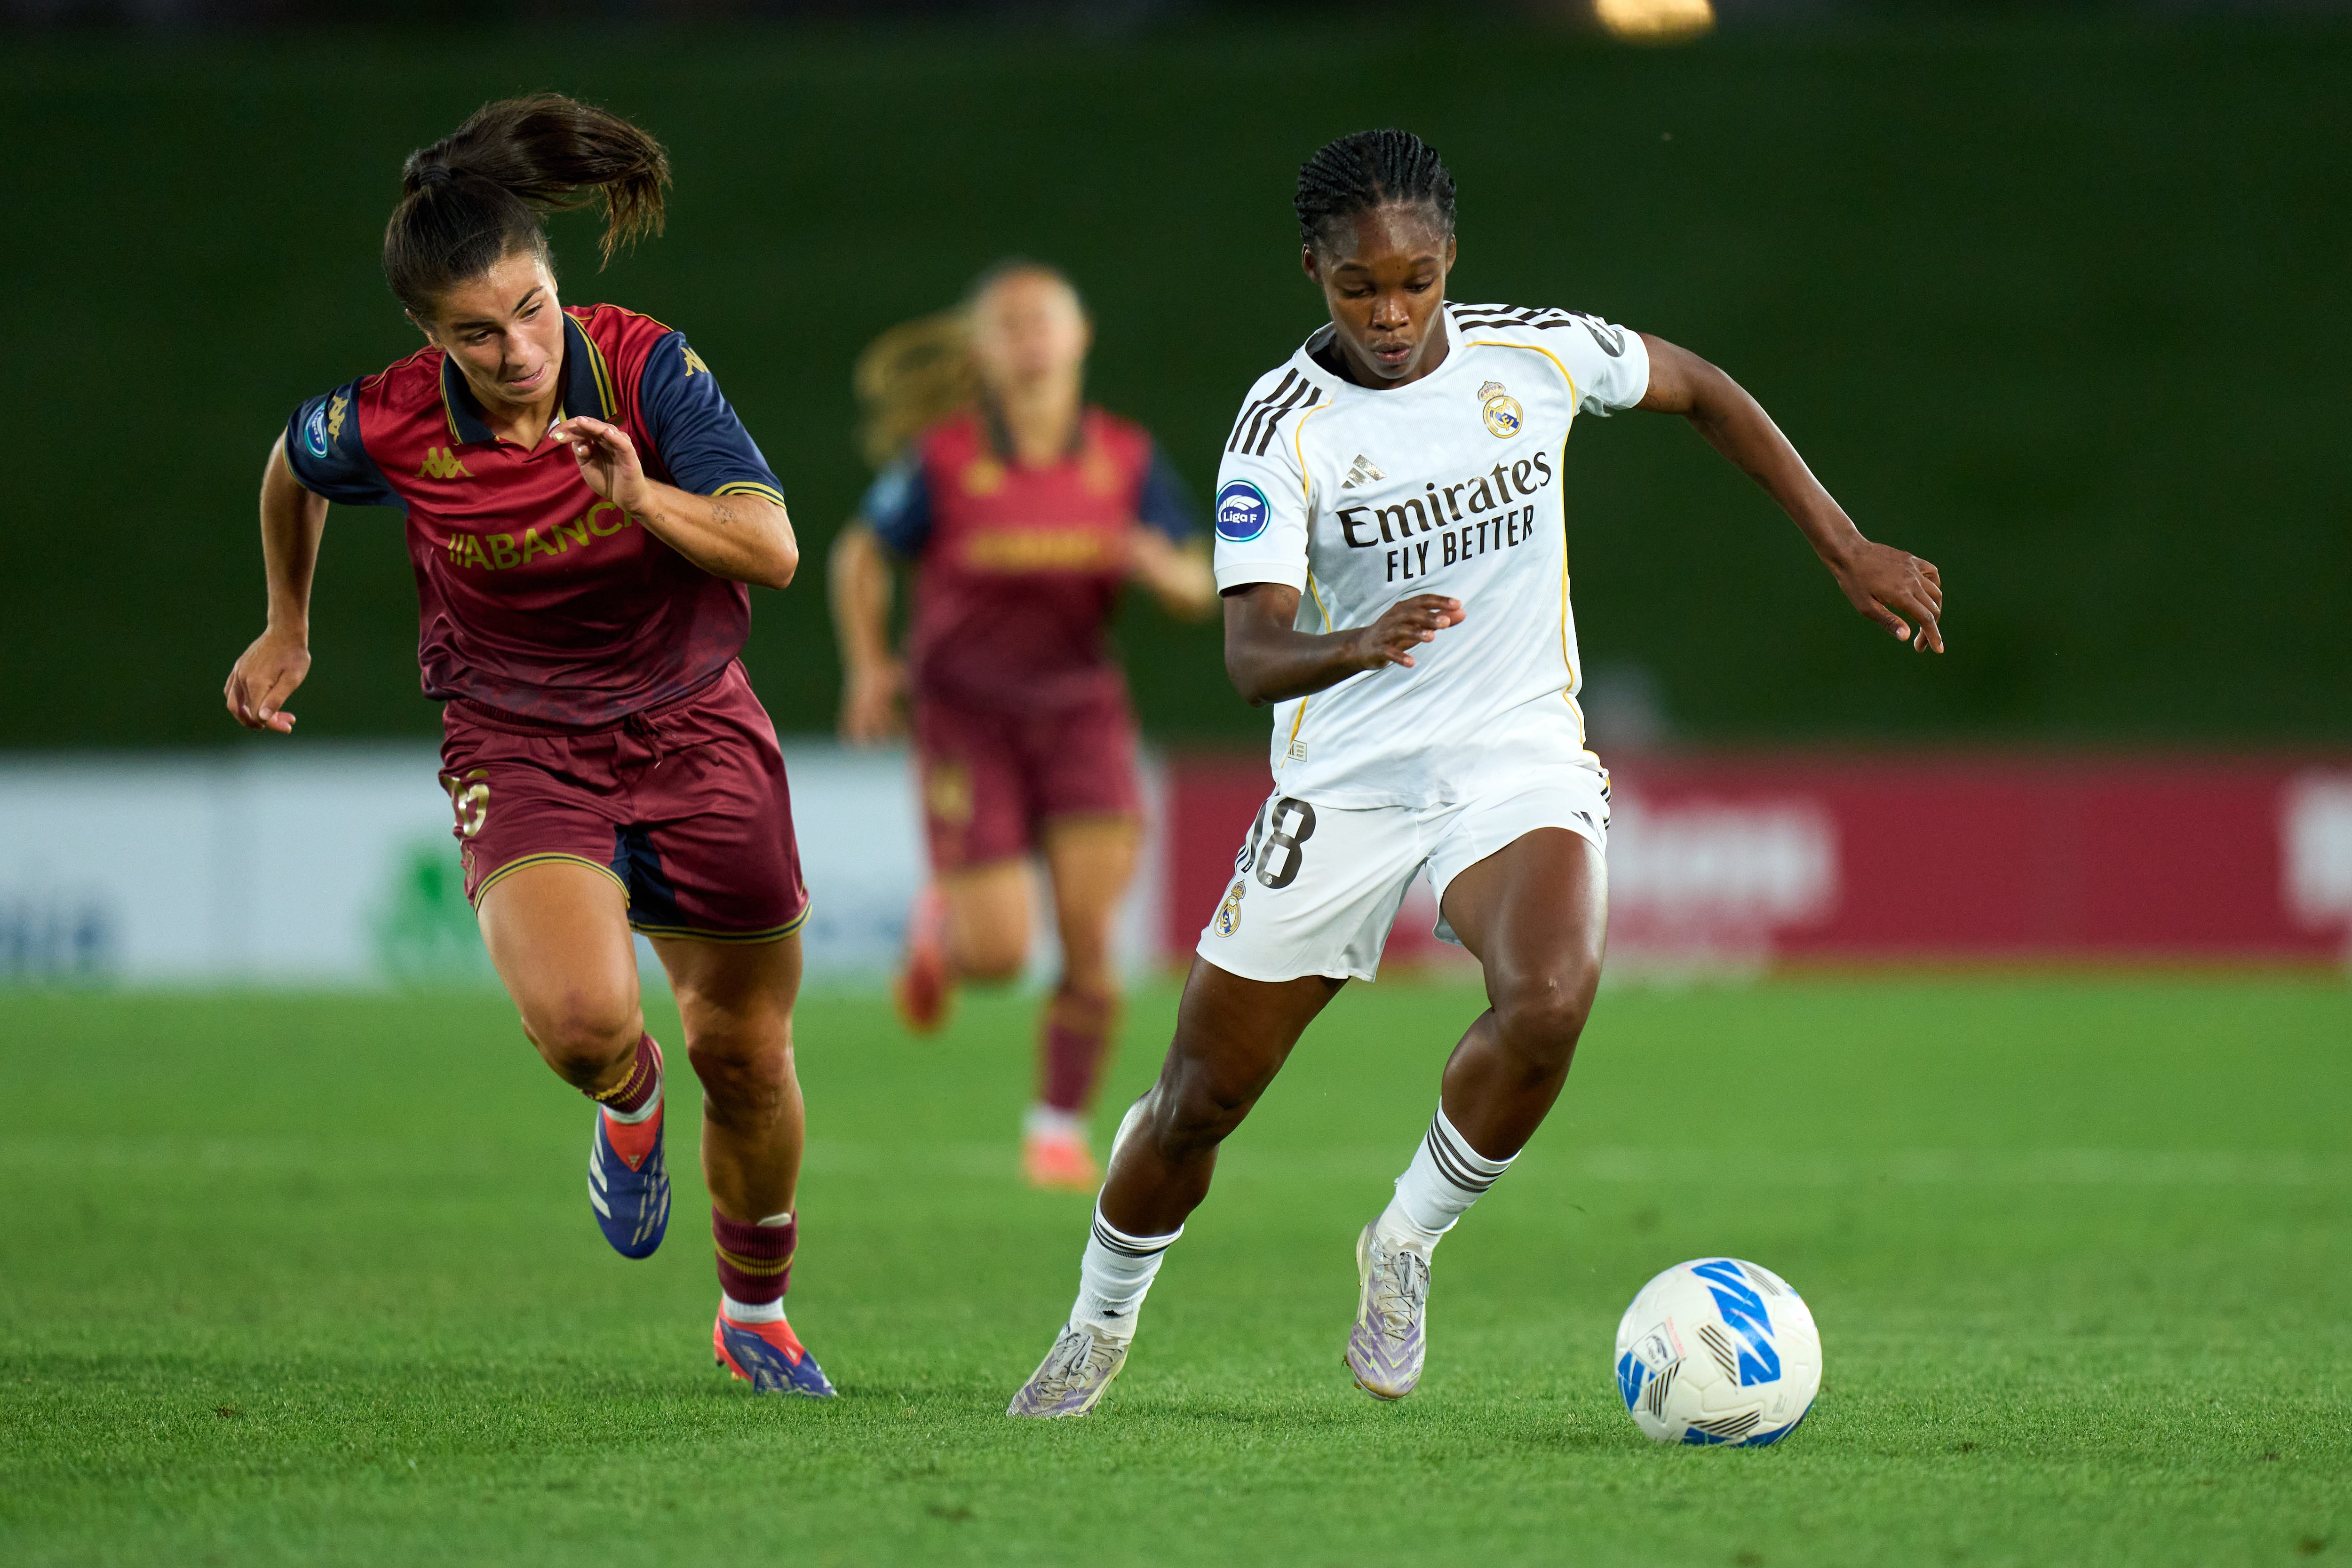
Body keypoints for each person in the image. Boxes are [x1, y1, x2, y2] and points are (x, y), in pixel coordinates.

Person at [1007, 129, 1944, 1418]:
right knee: (1198, 1099)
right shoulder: (1282, 426)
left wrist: (1844, 547)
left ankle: (1404, 1239)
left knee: (1548, 1002)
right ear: (1313, 272)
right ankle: (1097, 1321)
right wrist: (1356, 642)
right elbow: (1249, 652)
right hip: (1345, 781)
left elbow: (1704, 388)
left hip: (1515, 753)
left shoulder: (1536, 354)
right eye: (1360, 287)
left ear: (1451, 259)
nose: (1392, 313)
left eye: (1418, 280)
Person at [222, 95, 835, 1397]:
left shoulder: (648, 368)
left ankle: (755, 1314)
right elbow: (289, 462)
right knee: (581, 1024)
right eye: (478, 332)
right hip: (521, 738)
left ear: (558, 285)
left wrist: (640, 493)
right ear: (428, 335)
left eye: (534, 310)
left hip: (696, 724)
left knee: (746, 1055)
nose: (519, 351)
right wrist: (287, 622)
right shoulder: (390, 420)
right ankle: (627, 1098)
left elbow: (774, 549)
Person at [828, 262, 1215, 1191]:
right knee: (1000, 954)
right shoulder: (943, 458)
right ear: (982, 350)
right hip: (968, 721)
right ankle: (941, 931)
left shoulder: (1123, 457)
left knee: (1089, 937)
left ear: (1081, 337)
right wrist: (869, 663)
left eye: (1046, 320)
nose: (1031, 337)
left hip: (1081, 714)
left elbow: (1200, 582)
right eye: (1010, 324)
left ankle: (1056, 1129)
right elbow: (859, 553)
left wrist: (1163, 573)